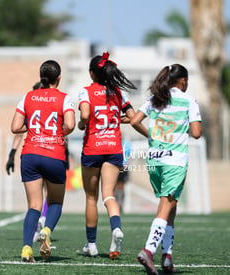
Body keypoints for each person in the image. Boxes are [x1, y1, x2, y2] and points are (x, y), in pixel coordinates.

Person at [130, 64, 202, 274]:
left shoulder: (156, 98)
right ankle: (149, 250)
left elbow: (134, 121)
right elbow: (196, 133)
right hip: (175, 161)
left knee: (171, 206)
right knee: (165, 207)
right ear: (183, 81)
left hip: (154, 161)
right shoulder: (188, 100)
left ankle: (167, 256)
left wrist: (152, 135)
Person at [78, 51, 145, 259]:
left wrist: (82, 123)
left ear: (92, 74)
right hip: (114, 149)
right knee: (109, 195)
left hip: (92, 149)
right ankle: (116, 228)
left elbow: (86, 115)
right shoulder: (118, 93)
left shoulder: (86, 91)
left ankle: (91, 245)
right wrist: (116, 119)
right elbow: (133, 118)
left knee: (91, 197)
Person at [11, 60, 75, 262]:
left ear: (41, 77)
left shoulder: (27, 97)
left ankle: (26, 248)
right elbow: (70, 125)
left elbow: (15, 127)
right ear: (59, 78)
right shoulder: (64, 98)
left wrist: (34, 129)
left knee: (34, 206)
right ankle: (46, 229)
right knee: (55, 201)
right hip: (54, 154)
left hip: (29, 154)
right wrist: (56, 132)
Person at [6, 82, 48, 243]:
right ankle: (43, 220)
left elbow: (17, 129)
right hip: (50, 154)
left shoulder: (31, 102)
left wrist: (12, 153)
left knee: (35, 200)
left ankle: (38, 225)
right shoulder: (54, 102)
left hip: (32, 155)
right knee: (47, 194)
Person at [115, 140, 131, 213]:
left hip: (120, 167)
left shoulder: (126, 144)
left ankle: (119, 203)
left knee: (119, 186)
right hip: (118, 167)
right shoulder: (125, 144)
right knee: (117, 186)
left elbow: (129, 156)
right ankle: (118, 203)